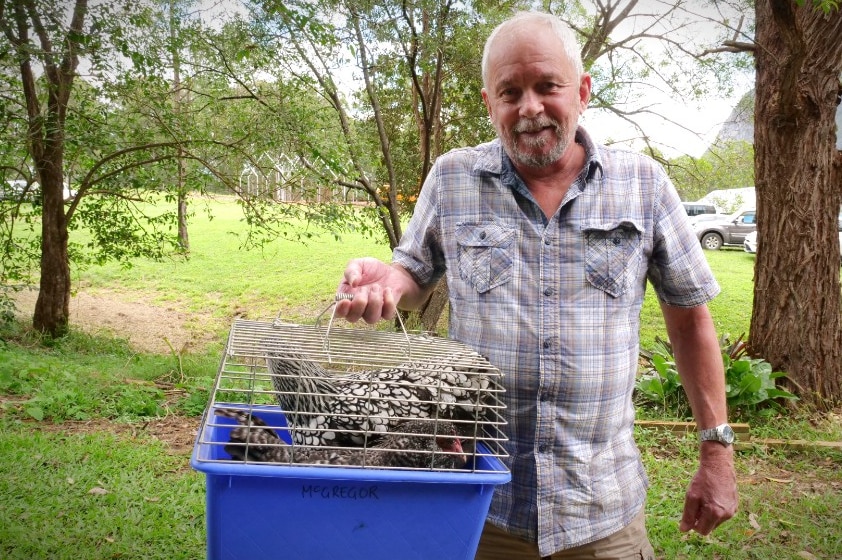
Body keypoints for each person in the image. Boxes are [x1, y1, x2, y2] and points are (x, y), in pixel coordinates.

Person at [334, 11, 738, 559]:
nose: (529, 108)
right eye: (510, 92)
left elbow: (690, 321)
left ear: (583, 91)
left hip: (601, 517)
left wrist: (716, 453)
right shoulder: (453, 179)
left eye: (547, 86)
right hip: (479, 504)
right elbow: (413, 277)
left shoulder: (643, 185)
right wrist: (389, 280)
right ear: (489, 102)